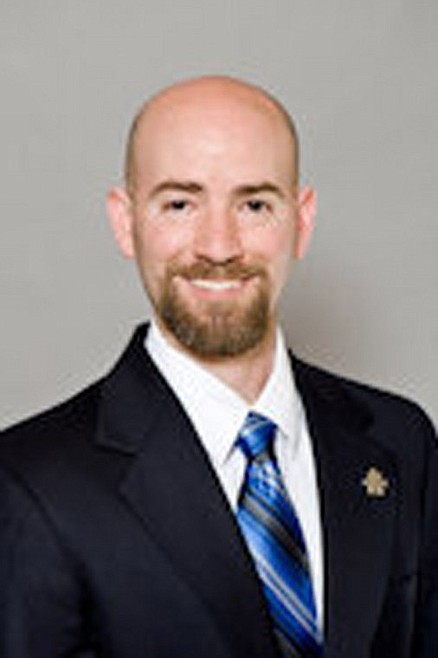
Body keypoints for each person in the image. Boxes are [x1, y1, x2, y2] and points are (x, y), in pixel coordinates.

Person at [0, 76, 437, 658]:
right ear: (125, 222)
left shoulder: (401, 443)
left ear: (302, 220)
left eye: (254, 205)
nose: (219, 246)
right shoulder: (28, 482)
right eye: (180, 204)